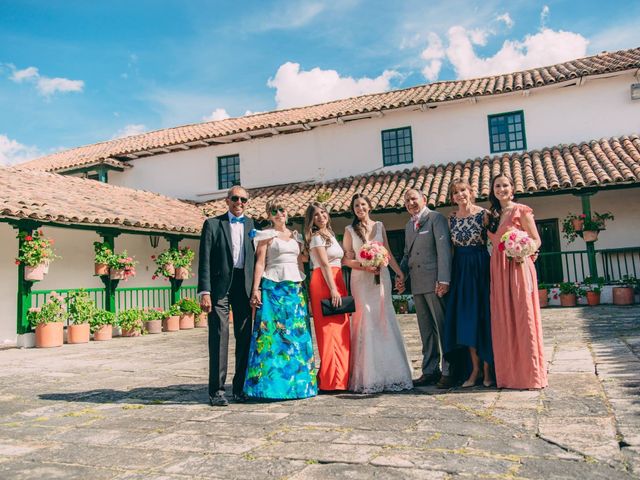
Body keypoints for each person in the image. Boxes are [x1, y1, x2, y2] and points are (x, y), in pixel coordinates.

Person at [244, 201, 317, 400]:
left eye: (281, 210)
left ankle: (299, 386)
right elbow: (260, 263)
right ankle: (270, 387)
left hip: (294, 289)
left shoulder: (296, 236)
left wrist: (304, 288)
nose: (278, 213)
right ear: (269, 215)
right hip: (272, 288)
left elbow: (300, 264)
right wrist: (255, 289)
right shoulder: (266, 235)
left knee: (296, 335)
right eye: (274, 211)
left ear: (287, 213)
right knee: (271, 336)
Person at [342, 193, 413, 393]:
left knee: (384, 318)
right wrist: (365, 266)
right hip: (361, 281)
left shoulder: (380, 226)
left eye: (363, 204)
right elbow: (346, 260)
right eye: (356, 205)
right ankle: (367, 376)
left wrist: (400, 274)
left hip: (382, 280)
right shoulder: (349, 230)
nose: (360, 208)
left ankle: (393, 373)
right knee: (365, 320)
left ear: (369, 206)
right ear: (353, 209)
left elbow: (387, 254)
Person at [486, 174, 547, 389]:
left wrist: (524, 251)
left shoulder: (522, 210)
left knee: (523, 316)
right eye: (497, 186)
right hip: (498, 270)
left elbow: (536, 239)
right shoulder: (491, 215)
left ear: (512, 189)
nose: (501, 189)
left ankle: (529, 375)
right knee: (503, 318)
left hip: (518, 266)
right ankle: (508, 375)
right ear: (493, 190)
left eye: (505, 185)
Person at [198, 185, 255, 406]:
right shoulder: (212, 224)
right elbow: (204, 260)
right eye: (235, 199)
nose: (239, 203)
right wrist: (205, 291)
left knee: (244, 338)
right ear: (227, 200)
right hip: (220, 287)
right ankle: (217, 391)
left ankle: (239, 389)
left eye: (243, 200)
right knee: (219, 337)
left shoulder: (253, 225)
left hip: (244, 286)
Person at [396, 188, 453, 389]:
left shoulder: (435, 218)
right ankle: (430, 370)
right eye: (407, 200)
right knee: (425, 329)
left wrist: (444, 280)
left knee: (442, 326)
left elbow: (444, 251)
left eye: (414, 198)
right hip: (418, 284)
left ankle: (449, 370)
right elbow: (406, 255)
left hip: (435, 282)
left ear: (424, 199)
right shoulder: (408, 225)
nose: (410, 202)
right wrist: (401, 275)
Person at [443, 179, 494, 388]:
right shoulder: (451, 219)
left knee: (484, 317)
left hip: (481, 267)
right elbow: (450, 249)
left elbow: (497, 239)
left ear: (471, 192)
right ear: (452, 197)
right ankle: (474, 370)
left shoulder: (484, 215)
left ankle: (488, 370)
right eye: (455, 192)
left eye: (462, 190)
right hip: (461, 270)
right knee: (467, 319)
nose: (459, 195)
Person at [304, 202, 350, 392]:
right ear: (311, 221)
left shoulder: (330, 234)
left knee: (341, 331)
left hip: (337, 279)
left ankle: (341, 377)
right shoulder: (315, 238)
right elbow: (323, 264)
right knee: (329, 332)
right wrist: (333, 289)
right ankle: (331, 380)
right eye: (316, 215)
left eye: (323, 213)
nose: (321, 217)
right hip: (325, 282)